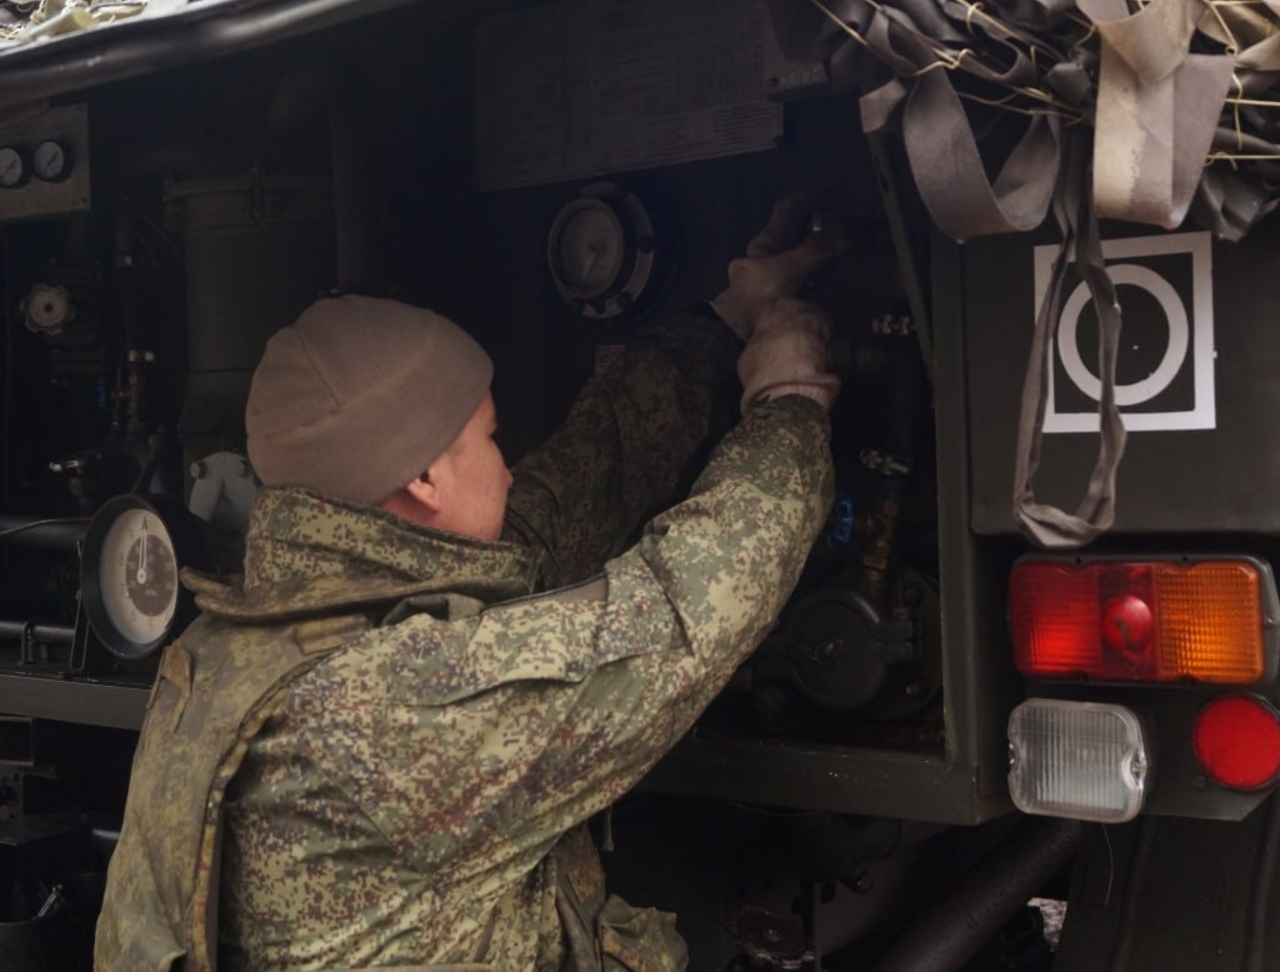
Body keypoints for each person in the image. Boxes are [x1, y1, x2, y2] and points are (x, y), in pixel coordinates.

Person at [94, 204, 845, 972]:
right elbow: (690, 607)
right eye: (490, 438)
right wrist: (789, 395)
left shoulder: (235, 644)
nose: (509, 465)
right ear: (421, 477)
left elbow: (561, 500)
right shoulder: (394, 702)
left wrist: (729, 316)